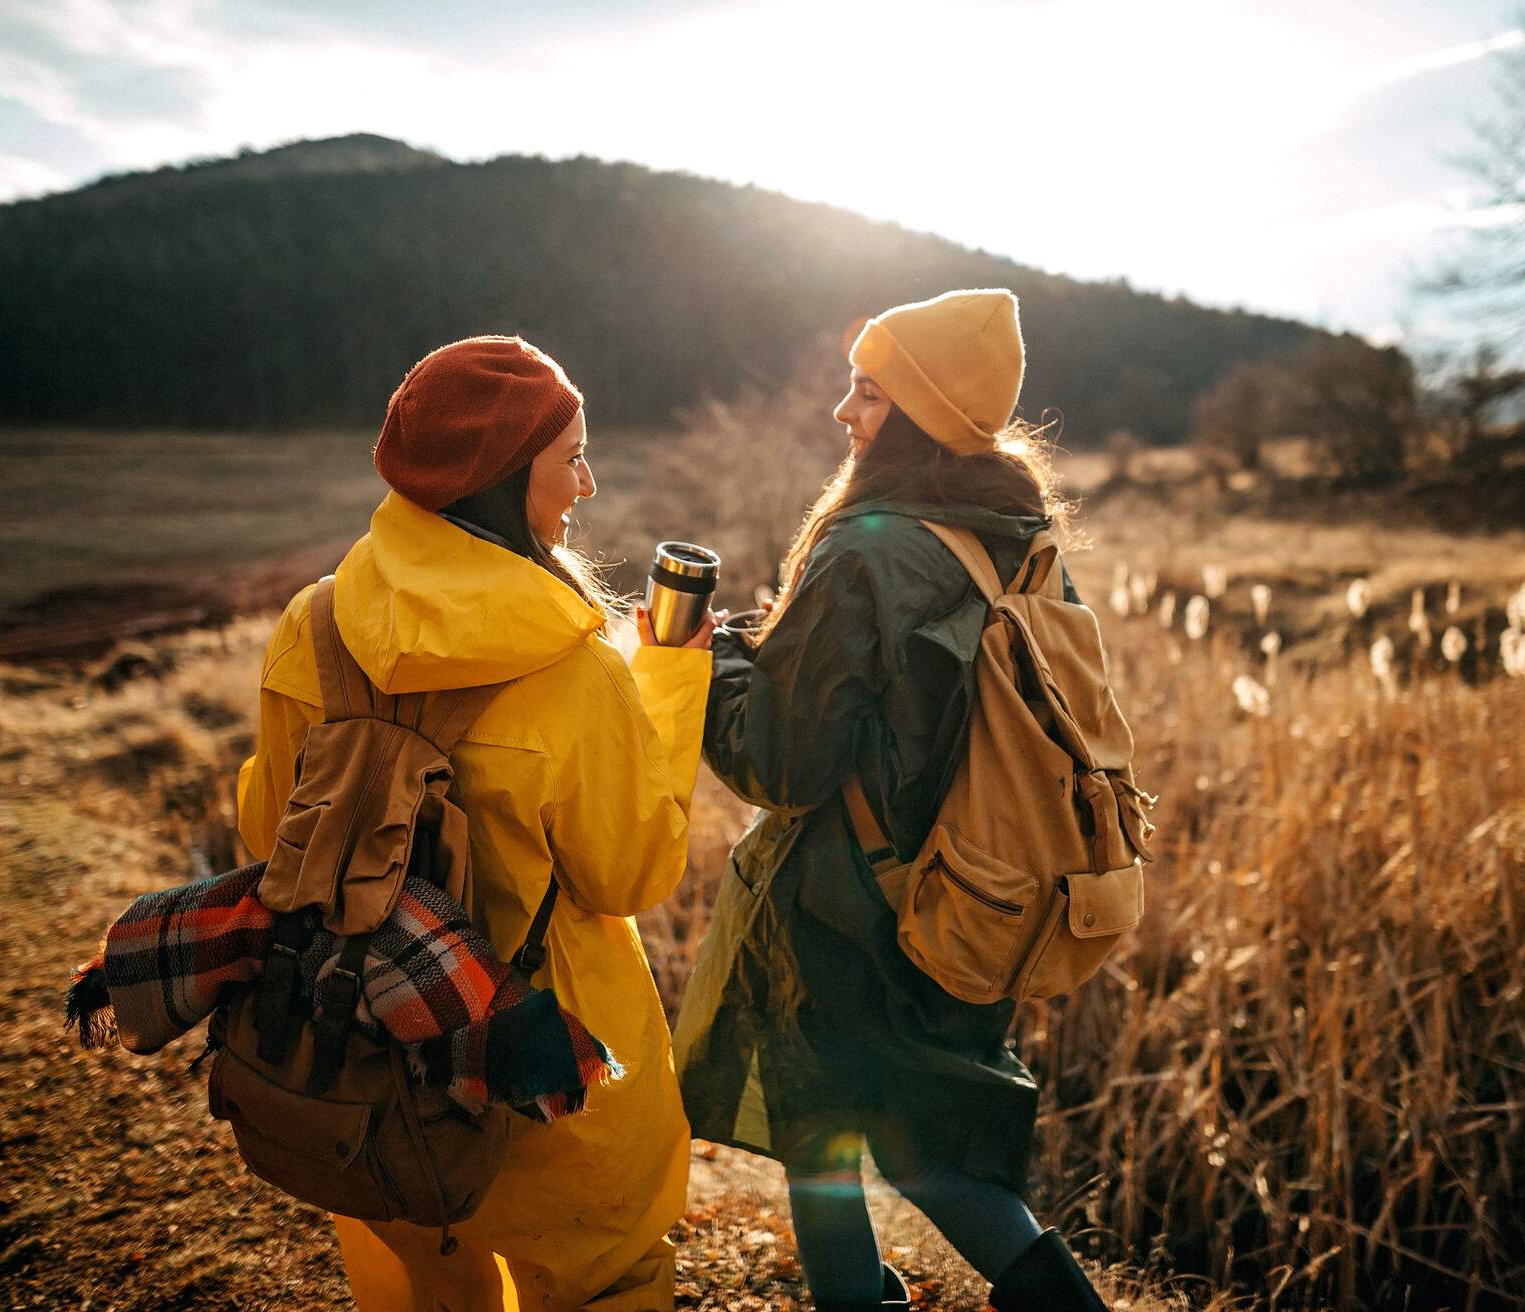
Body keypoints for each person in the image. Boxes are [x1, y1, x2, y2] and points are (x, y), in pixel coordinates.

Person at [235, 335, 717, 1311]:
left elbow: (265, 827)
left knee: (419, 1275)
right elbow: (631, 872)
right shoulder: (576, 674)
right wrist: (668, 675)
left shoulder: (311, 624)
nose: (588, 482)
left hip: (360, 1044)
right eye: (572, 455)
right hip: (544, 1059)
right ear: (503, 479)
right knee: (605, 1280)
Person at [673, 290, 1110, 1311]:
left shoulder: (866, 543)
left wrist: (714, 659)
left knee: (839, 1136)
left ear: (919, 410)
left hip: (852, 909)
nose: (844, 412)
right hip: (977, 891)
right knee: (920, 1141)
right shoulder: (1017, 535)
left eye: (868, 391)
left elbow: (782, 763)